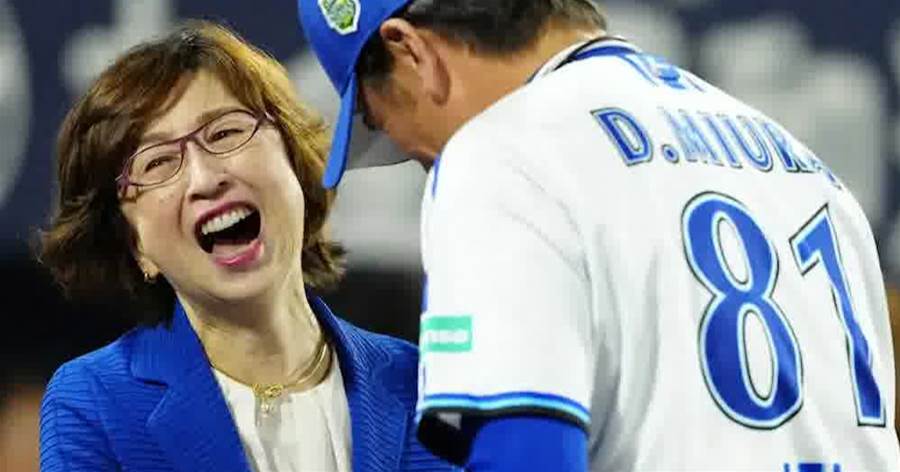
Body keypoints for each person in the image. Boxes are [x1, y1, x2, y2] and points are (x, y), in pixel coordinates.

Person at [297, 0, 900, 470]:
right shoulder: (809, 171)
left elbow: (526, 454)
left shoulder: (501, 153)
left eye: (377, 118)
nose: (410, 153)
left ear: (412, 52)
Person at [37, 20, 455, 472]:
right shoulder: (96, 404)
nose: (205, 179)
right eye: (158, 163)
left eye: (225, 133)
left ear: (293, 159)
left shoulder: (424, 387)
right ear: (135, 245)